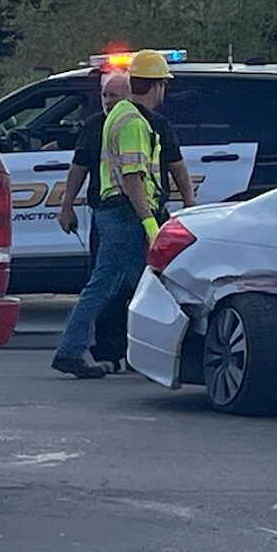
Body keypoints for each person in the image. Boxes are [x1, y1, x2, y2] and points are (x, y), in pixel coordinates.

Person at [58, 68, 196, 369]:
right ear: (157, 86)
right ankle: (167, 355)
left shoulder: (122, 117)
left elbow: (173, 164)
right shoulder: (133, 121)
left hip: (114, 210)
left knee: (103, 284)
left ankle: (70, 352)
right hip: (127, 213)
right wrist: (148, 221)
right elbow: (133, 177)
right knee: (151, 286)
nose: (107, 100)